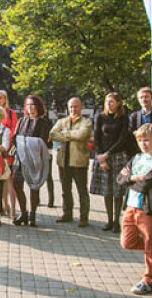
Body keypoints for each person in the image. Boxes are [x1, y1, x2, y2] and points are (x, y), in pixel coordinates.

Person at [116, 124, 152, 295]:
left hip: (149, 210)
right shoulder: (137, 158)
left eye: (147, 140)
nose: (143, 144)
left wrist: (130, 180)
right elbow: (119, 178)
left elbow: (146, 185)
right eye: (140, 141)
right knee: (127, 242)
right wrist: (133, 177)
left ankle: (149, 279)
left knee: (149, 246)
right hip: (131, 206)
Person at [90, 92, 130, 232]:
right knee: (107, 191)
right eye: (107, 101)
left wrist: (108, 154)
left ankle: (116, 221)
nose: (108, 103)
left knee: (117, 190)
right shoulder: (100, 117)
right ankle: (108, 220)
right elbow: (96, 136)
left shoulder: (124, 118)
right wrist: (101, 157)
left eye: (112, 101)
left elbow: (122, 139)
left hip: (117, 156)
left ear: (118, 103)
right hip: (102, 157)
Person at [49, 97, 92, 227]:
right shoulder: (62, 121)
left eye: (76, 106)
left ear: (81, 107)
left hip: (79, 162)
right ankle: (67, 213)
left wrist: (65, 135)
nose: (73, 109)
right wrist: (71, 135)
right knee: (65, 190)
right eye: (71, 107)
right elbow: (52, 135)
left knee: (82, 191)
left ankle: (84, 217)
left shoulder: (86, 122)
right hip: (63, 161)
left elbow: (82, 135)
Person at [12, 95, 52, 227]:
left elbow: (42, 140)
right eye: (28, 105)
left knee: (34, 186)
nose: (30, 108)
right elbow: (15, 138)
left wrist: (25, 142)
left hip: (35, 159)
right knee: (16, 183)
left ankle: (33, 215)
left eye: (33, 105)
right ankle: (23, 212)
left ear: (38, 106)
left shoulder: (44, 122)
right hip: (21, 158)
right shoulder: (22, 120)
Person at [0, 90, 18, 218]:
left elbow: (15, 130)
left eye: (1, 98)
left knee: (9, 180)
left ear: (5, 100)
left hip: (8, 150)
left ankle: (10, 208)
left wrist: (6, 140)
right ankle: (1, 206)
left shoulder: (11, 114)